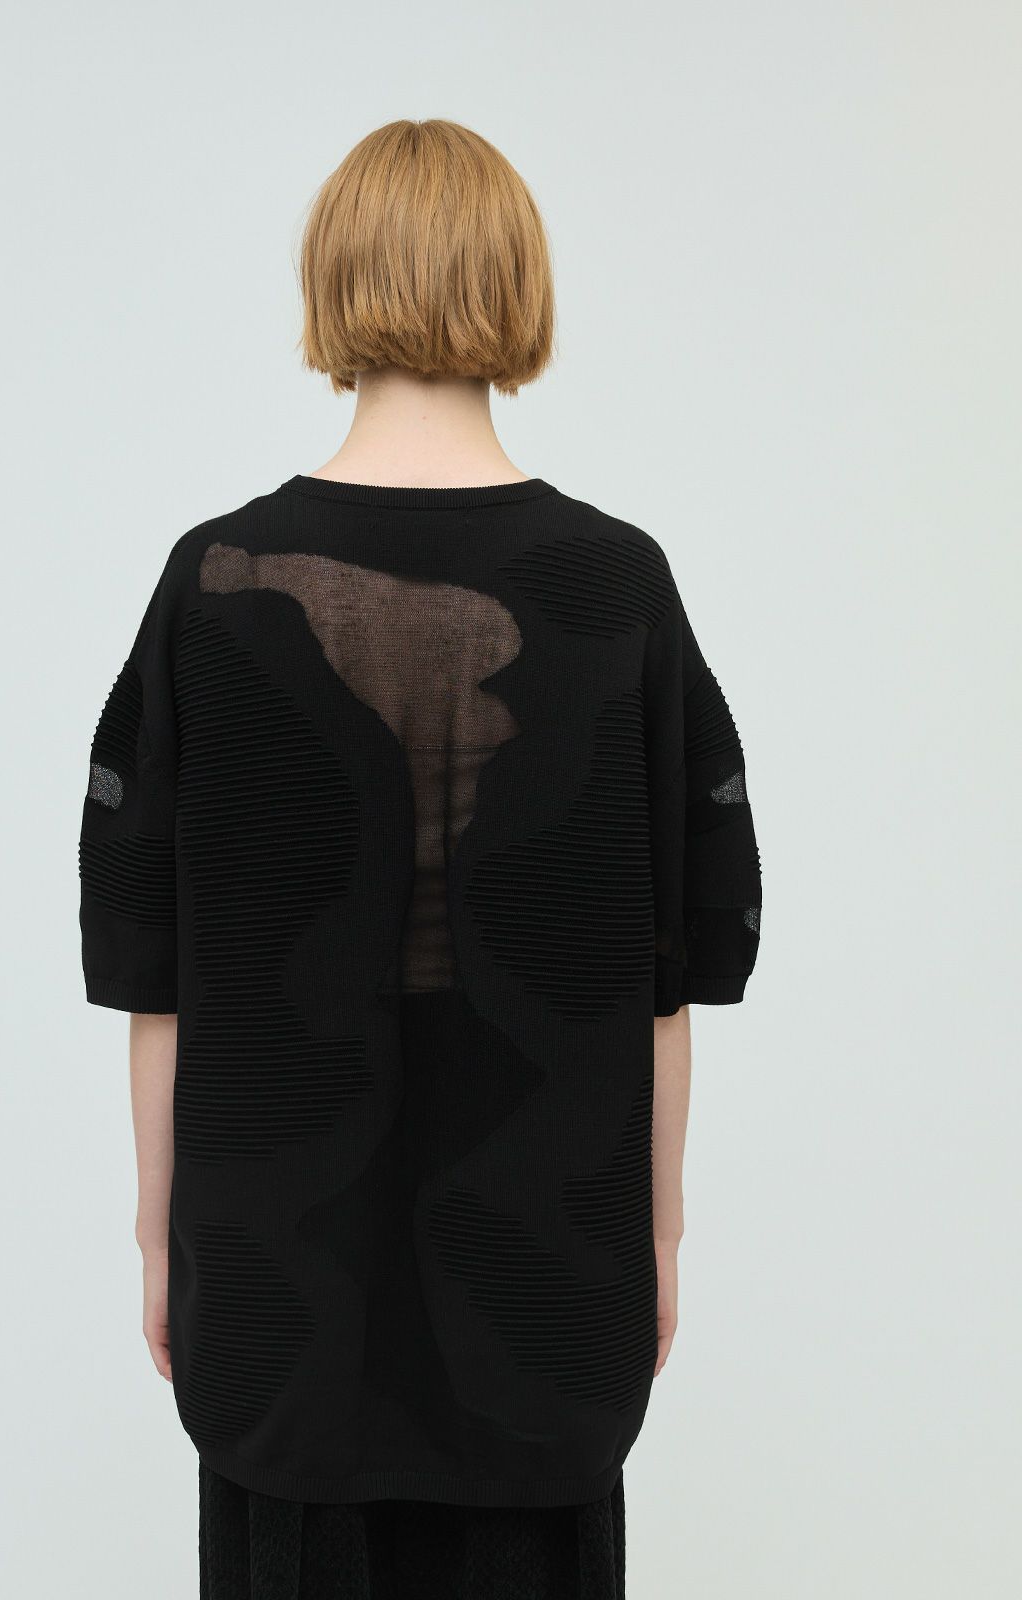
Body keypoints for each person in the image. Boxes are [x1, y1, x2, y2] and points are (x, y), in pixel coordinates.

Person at [78, 118, 762, 1600]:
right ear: (519, 282)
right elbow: (671, 973)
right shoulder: (619, 588)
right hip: (548, 1283)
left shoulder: (210, 584)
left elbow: (155, 974)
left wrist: (158, 1235)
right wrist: (657, 1229)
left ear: (331, 279)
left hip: (274, 1287)